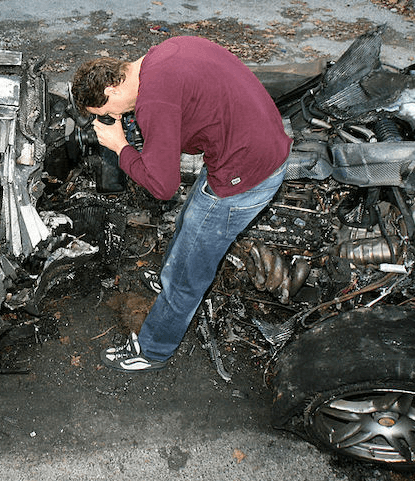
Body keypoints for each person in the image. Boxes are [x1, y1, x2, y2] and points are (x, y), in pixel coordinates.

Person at [71, 36, 291, 372]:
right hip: (253, 141)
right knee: (189, 220)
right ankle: (168, 275)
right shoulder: (159, 56)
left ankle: (153, 349)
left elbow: (163, 186)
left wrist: (120, 147)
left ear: (112, 91)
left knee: (189, 276)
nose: (110, 117)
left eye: (103, 113)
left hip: (246, 173)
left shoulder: (152, 103)